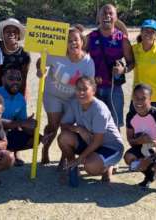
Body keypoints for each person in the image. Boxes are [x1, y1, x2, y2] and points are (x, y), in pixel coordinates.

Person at [36, 25, 95, 166]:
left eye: (75, 40)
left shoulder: (88, 62)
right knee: (54, 125)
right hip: (53, 95)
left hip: (73, 99)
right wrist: (40, 69)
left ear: (82, 41)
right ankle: (45, 149)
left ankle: (64, 158)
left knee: (67, 128)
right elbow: (41, 61)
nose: (73, 43)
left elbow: (90, 85)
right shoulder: (57, 54)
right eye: (69, 41)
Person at [58, 76, 124, 184]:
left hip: (110, 147)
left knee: (91, 167)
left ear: (93, 90)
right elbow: (64, 125)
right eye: (78, 89)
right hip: (91, 142)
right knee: (63, 137)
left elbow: (98, 141)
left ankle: (108, 167)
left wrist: (79, 160)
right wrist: (78, 129)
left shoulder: (99, 110)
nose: (81, 92)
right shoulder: (75, 103)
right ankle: (72, 168)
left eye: (85, 89)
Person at [87, 4, 134, 128]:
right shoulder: (90, 38)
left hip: (114, 89)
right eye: (104, 13)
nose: (107, 16)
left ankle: (115, 148)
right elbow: (77, 56)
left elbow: (132, 62)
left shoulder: (122, 39)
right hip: (93, 89)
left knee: (114, 125)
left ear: (116, 17)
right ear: (98, 17)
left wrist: (123, 69)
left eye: (110, 13)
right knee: (94, 124)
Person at [0, 68, 37, 166]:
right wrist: (22, 123)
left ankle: (10, 152)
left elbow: (22, 123)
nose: (15, 82)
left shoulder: (20, 99)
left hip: (5, 134)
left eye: (18, 79)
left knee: (35, 139)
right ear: (3, 79)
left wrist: (32, 128)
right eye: (11, 78)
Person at [132, 19, 156, 111]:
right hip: (137, 96)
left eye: (152, 32)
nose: (149, 34)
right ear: (141, 32)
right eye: (146, 30)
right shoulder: (134, 49)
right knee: (134, 125)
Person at [0, 18, 31, 97]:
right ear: (3, 34)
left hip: (13, 91)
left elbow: (24, 77)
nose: (11, 34)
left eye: (15, 32)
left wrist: (23, 96)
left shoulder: (24, 54)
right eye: (7, 31)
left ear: (18, 35)